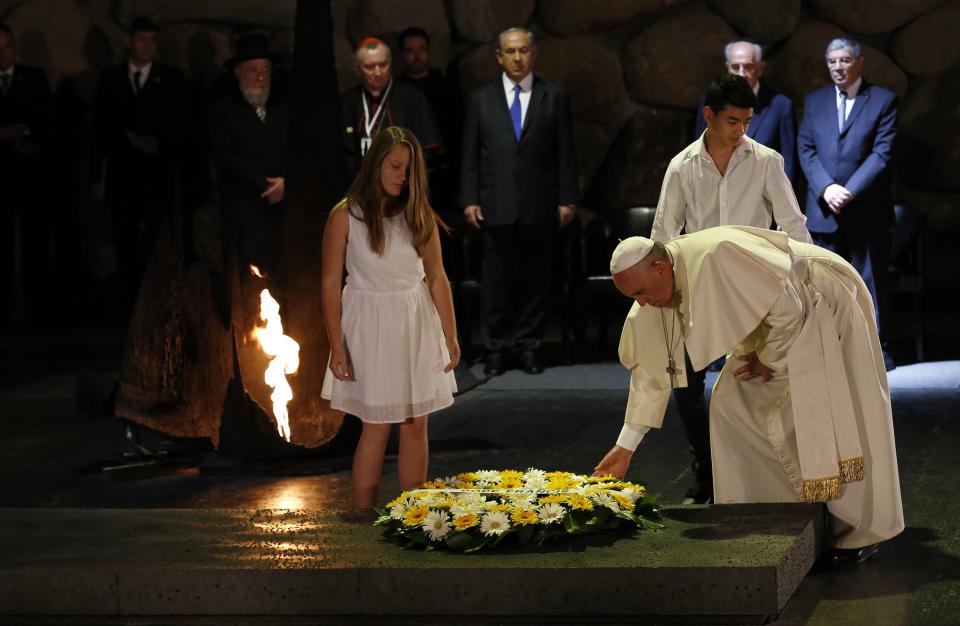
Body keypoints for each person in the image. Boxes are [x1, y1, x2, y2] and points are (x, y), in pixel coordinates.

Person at [593, 227, 904, 561]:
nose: (641, 302)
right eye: (633, 298)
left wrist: (765, 358)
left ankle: (856, 532)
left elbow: (790, 310)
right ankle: (773, 515)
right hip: (778, 324)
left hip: (821, 302)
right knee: (731, 402)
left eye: (641, 292)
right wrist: (624, 448)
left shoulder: (719, 255)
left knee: (838, 409)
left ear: (659, 268)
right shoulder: (652, 296)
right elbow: (652, 373)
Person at [651, 73, 811, 503]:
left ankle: (759, 475)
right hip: (699, 290)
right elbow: (664, 232)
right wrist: (664, 294)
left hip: (753, 291)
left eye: (747, 122)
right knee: (685, 382)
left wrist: (806, 277)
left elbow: (792, 223)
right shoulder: (682, 165)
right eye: (733, 122)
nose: (742, 131)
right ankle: (706, 470)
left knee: (758, 377)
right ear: (709, 116)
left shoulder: (766, 161)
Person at [320, 126, 460, 518]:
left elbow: (436, 276)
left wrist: (450, 334)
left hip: (413, 322)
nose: (402, 176)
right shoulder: (346, 215)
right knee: (377, 421)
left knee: (415, 422)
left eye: (409, 169)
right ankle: (363, 508)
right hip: (370, 325)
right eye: (396, 166)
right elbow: (330, 283)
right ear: (376, 163)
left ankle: (413, 510)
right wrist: (336, 345)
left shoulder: (417, 215)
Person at [460, 27, 578, 376]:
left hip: (539, 204)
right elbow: (470, 154)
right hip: (495, 204)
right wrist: (468, 198)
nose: (517, 57)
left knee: (535, 282)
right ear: (499, 56)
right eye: (510, 51)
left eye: (523, 50)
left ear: (534, 53)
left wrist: (568, 198)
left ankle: (530, 348)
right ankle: (495, 349)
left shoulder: (552, 96)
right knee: (495, 284)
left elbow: (565, 152)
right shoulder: (480, 99)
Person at [798, 37, 897, 372]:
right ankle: (828, 346)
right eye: (831, 61)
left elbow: (881, 153)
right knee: (823, 284)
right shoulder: (815, 101)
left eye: (843, 60)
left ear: (859, 62)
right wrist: (826, 188)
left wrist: (849, 190)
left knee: (870, 282)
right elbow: (806, 148)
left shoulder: (883, 100)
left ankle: (876, 348)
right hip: (825, 209)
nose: (837, 67)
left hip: (866, 209)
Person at [90, 16, 186, 319]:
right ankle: (127, 310)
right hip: (123, 177)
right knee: (125, 243)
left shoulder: (171, 79)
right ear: (129, 42)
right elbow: (99, 132)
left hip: (157, 178)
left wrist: (160, 145)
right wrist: (98, 178)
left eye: (152, 40)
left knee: (157, 243)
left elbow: (182, 127)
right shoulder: (110, 79)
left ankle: (157, 310)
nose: (148, 46)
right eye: (142, 39)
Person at [208, 32, 288, 277]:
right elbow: (224, 155)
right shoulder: (224, 110)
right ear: (238, 72)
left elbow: (299, 149)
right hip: (244, 208)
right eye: (254, 70)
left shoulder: (284, 108)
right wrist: (264, 184)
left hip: (283, 209)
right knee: (247, 278)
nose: (261, 77)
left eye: (265, 70)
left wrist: (285, 180)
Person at [0, 23, 53, 321]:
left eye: (6, 46)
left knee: (35, 242)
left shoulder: (32, 79)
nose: (2, 54)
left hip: (29, 177)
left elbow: (47, 122)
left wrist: (27, 135)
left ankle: (38, 307)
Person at [694, 40, 797, 183]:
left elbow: (788, 164)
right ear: (727, 68)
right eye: (735, 67)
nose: (741, 74)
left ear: (760, 68)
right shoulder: (709, 103)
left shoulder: (781, 106)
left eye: (748, 67)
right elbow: (698, 154)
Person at [340, 37, 442, 176]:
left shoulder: (412, 97)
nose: (378, 72)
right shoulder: (348, 101)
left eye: (383, 64)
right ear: (358, 68)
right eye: (369, 66)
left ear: (391, 63)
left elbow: (429, 151)